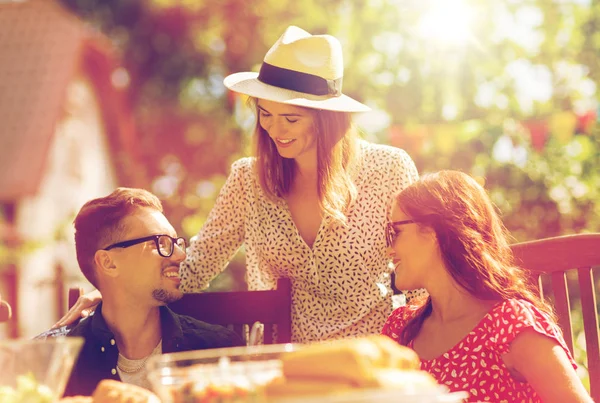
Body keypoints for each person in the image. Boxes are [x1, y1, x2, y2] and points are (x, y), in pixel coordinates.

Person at [55, 25, 424, 343]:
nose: (274, 131)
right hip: (276, 366)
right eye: (265, 114)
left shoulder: (389, 170)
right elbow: (196, 264)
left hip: (372, 361)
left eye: (291, 119)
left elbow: (423, 277)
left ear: (327, 120)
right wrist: (116, 295)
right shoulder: (249, 180)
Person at [381, 171, 592, 402]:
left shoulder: (511, 325)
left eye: (395, 232)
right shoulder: (399, 328)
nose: (388, 250)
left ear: (432, 232)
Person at [38, 188, 243, 396]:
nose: (181, 255)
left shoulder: (219, 352)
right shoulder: (50, 362)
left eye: (176, 243)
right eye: (160, 243)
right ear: (109, 263)